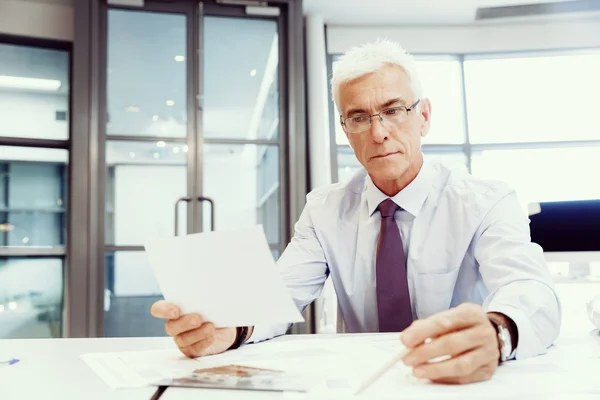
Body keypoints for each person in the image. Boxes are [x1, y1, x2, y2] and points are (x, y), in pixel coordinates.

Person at [151, 39, 561, 384]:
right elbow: (279, 297)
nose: (379, 132)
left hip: (458, 384)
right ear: (346, 132)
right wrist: (232, 328)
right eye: (360, 117)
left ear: (424, 116)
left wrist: (498, 332)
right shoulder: (325, 209)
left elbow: (531, 291)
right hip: (361, 385)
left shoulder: (486, 200)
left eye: (394, 110)